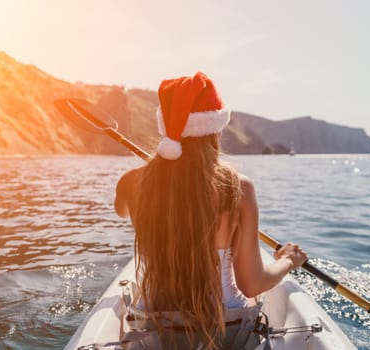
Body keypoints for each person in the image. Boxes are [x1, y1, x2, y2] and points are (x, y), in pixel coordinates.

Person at [114, 72, 307, 349]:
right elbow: (251, 285)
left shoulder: (132, 182)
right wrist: (288, 259)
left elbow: (121, 210)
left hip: (152, 328)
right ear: (216, 128)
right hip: (226, 329)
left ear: (166, 127)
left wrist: (150, 180)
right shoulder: (239, 188)